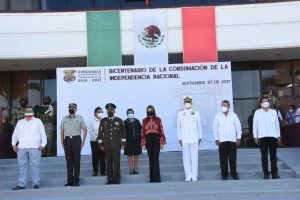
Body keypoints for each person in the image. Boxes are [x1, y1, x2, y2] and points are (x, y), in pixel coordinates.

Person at [11, 106, 47, 190]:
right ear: (24, 112)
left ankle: (36, 183)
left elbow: (43, 133)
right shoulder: (20, 122)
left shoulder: (38, 121)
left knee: (34, 166)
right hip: (22, 147)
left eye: (30, 111)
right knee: (22, 166)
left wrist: (43, 144)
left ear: (33, 112)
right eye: (27, 111)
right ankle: (21, 184)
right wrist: (13, 144)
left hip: (35, 147)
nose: (28, 112)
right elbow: (15, 134)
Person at [213, 100, 242, 180]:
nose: (223, 107)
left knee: (233, 159)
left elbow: (238, 127)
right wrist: (216, 138)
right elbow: (214, 128)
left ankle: (234, 174)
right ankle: (224, 175)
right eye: (222, 105)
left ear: (229, 106)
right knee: (223, 159)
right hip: (222, 141)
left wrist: (238, 138)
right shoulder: (217, 116)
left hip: (232, 140)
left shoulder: (234, 115)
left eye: (225, 105)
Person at [253, 97, 281, 179]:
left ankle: (274, 173)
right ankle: (266, 173)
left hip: (273, 136)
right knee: (264, 156)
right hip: (262, 137)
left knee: (273, 156)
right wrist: (255, 137)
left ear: (269, 102)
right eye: (263, 101)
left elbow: (277, 125)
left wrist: (278, 136)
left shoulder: (273, 112)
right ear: (260, 103)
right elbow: (255, 125)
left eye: (266, 101)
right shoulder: (257, 112)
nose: (265, 102)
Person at [98, 103, 125, 185]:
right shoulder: (103, 121)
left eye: (111, 110)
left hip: (116, 144)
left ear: (114, 111)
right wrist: (100, 144)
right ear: (106, 111)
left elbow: (123, 133)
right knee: (108, 162)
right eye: (108, 110)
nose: (110, 111)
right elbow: (100, 133)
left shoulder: (119, 120)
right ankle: (110, 179)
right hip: (107, 144)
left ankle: (117, 178)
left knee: (116, 162)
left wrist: (123, 143)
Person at [60, 103, 87, 187]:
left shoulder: (80, 118)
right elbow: (61, 132)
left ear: (76, 109)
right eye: (70, 107)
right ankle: (70, 180)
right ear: (68, 109)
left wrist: (82, 143)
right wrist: (62, 143)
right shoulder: (64, 119)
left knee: (76, 161)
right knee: (69, 161)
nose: (71, 108)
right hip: (67, 140)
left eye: (73, 107)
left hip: (76, 140)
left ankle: (76, 180)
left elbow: (85, 130)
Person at [177, 95, 202, 182]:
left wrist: (200, 137)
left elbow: (199, 125)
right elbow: (178, 127)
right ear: (184, 103)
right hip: (184, 138)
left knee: (194, 158)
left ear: (191, 103)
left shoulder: (196, 112)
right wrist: (179, 138)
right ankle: (188, 176)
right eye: (186, 102)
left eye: (188, 102)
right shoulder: (180, 113)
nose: (187, 103)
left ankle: (194, 176)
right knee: (186, 158)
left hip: (194, 137)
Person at [141, 105, 166, 183]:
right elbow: (142, 132)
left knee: (155, 158)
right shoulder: (144, 120)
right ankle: (151, 178)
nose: (150, 111)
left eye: (151, 110)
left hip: (156, 140)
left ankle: (157, 178)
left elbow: (161, 131)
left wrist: (162, 142)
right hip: (148, 140)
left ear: (154, 110)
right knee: (150, 159)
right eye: (148, 110)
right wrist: (143, 143)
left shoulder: (158, 119)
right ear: (147, 111)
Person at [89, 107, 106, 176]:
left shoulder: (104, 120)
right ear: (95, 113)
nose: (100, 113)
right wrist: (97, 138)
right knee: (95, 156)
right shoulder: (92, 121)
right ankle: (95, 171)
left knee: (103, 156)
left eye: (101, 112)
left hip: (103, 141)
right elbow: (91, 131)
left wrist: (102, 139)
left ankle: (103, 171)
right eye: (98, 112)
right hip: (94, 141)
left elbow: (106, 131)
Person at [124, 108, 142, 174]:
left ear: (133, 113)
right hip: (128, 141)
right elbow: (123, 132)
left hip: (137, 140)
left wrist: (141, 138)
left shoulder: (137, 121)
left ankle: (136, 168)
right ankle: (131, 168)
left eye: (131, 113)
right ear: (127, 114)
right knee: (129, 155)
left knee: (137, 154)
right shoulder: (125, 122)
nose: (130, 114)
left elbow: (140, 130)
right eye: (129, 113)